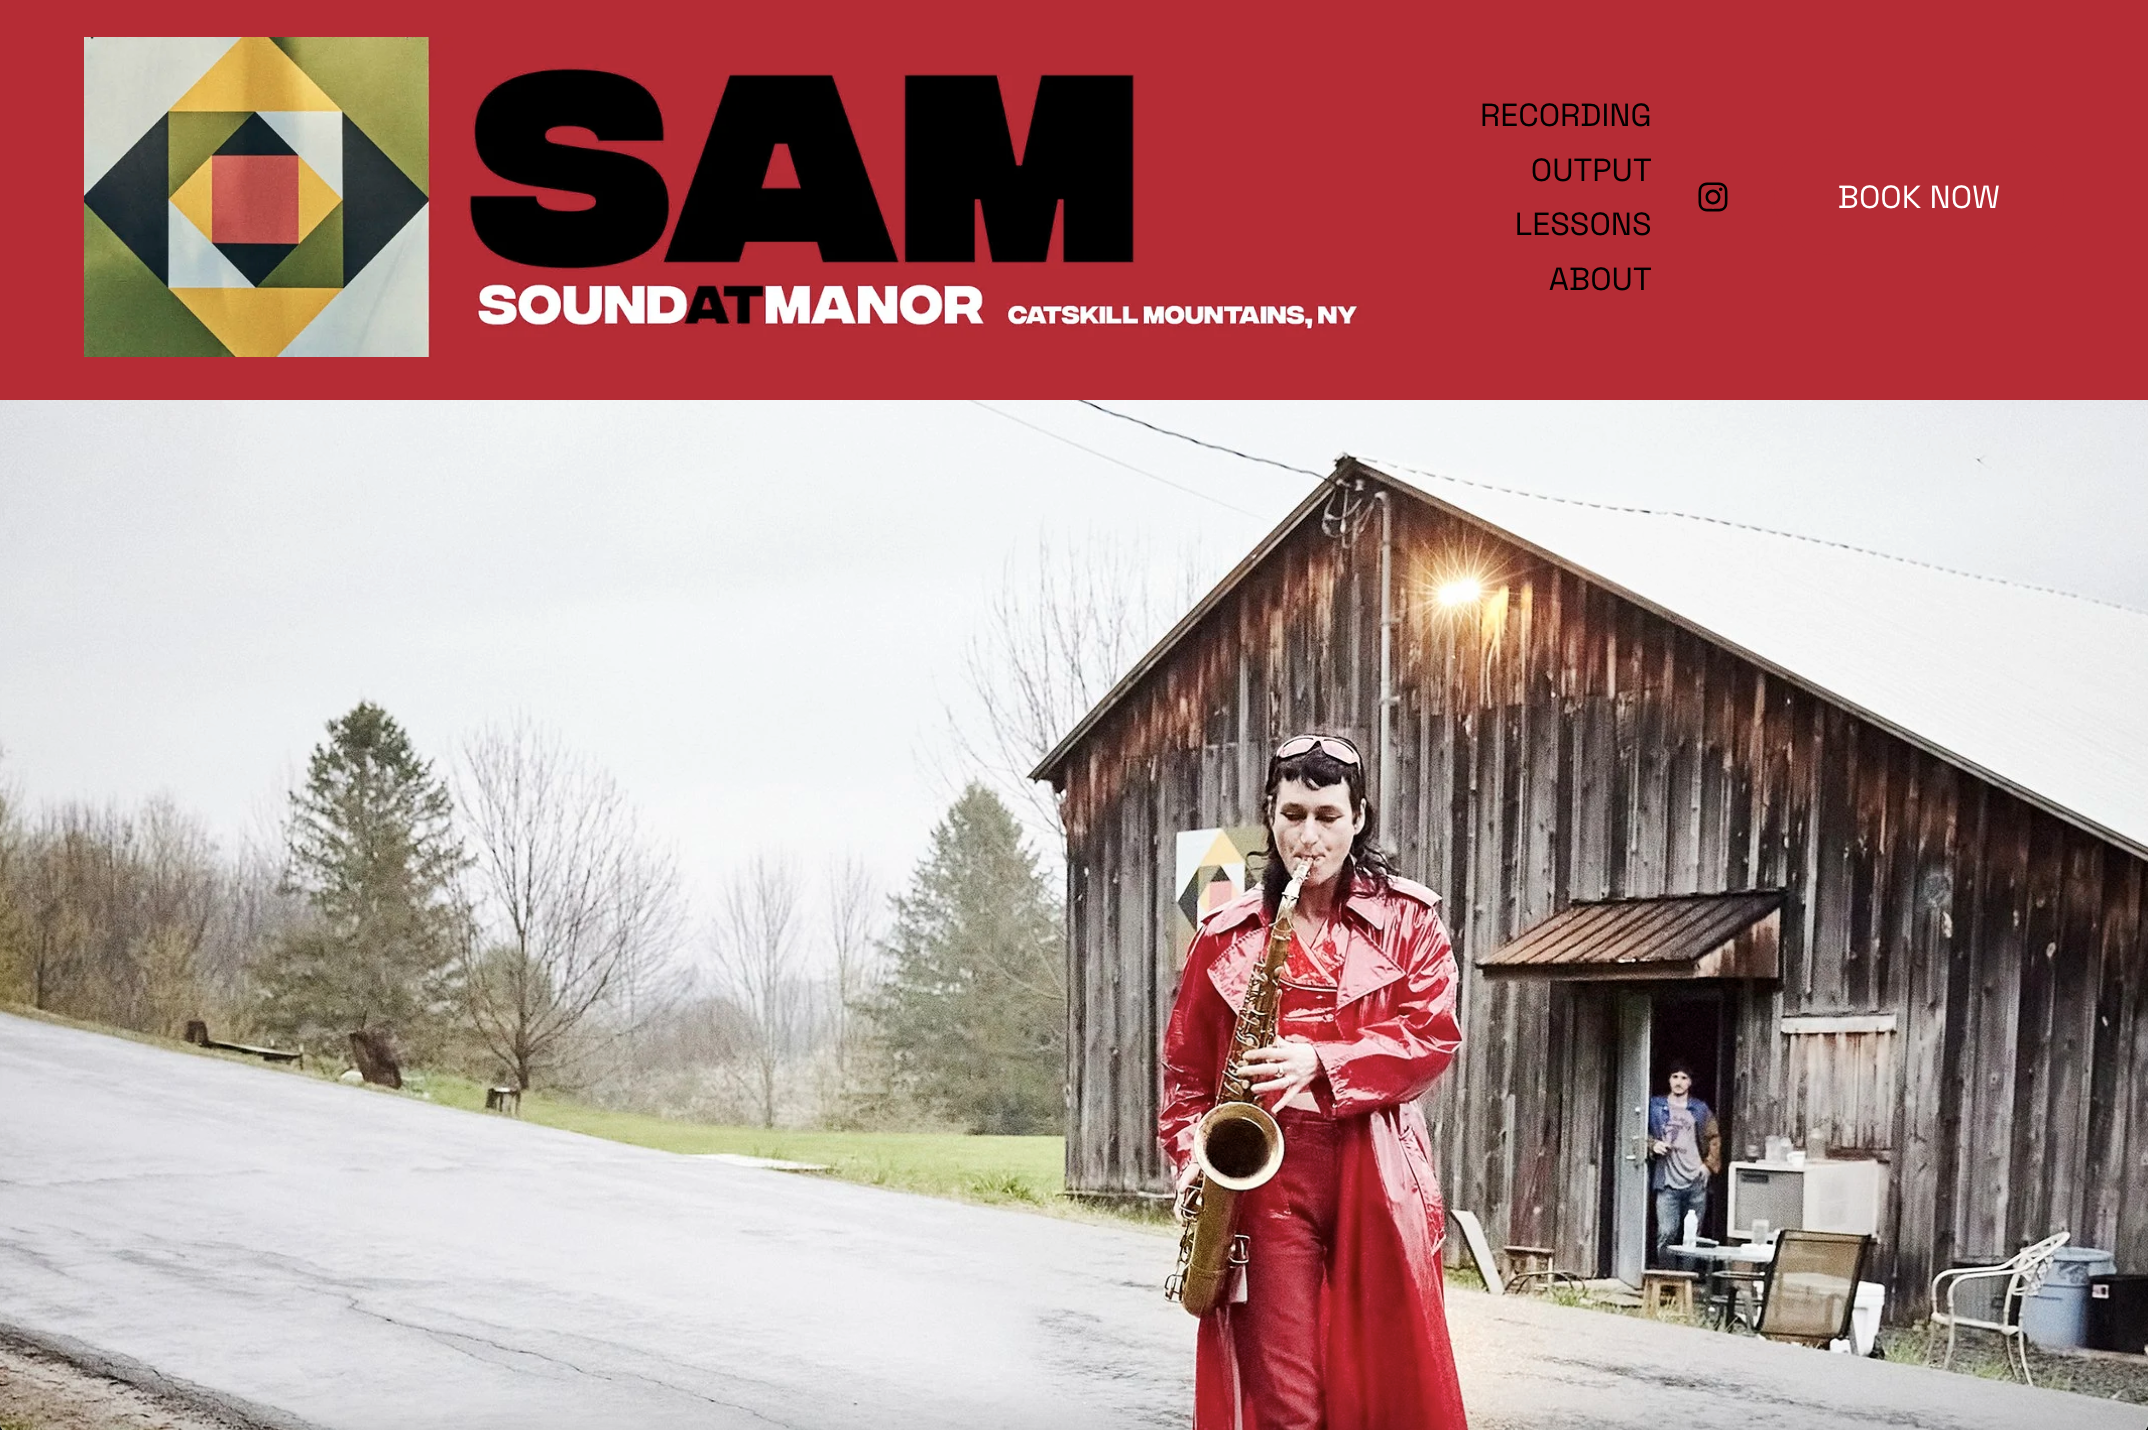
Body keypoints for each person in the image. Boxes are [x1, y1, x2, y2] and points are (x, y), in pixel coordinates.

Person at [1159, 733, 1468, 1430]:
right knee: (1287, 1400)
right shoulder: (1222, 931)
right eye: (1293, 815)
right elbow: (1185, 1071)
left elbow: (1433, 1037)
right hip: (1265, 1180)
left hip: (1376, 1167)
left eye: (1327, 817)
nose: (1308, 837)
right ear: (1269, 814)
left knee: (1384, 1387)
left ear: (1358, 818)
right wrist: (1191, 1160)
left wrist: (1324, 1062)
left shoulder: (1411, 919)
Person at [1647, 1062, 1721, 1264]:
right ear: (1669, 1080)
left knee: (1691, 1236)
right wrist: (1653, 1145)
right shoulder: (1655, 1106)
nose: (1679, 1082)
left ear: (1690, 1082)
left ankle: (1687, 1276)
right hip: (1667, 1181)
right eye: (1675, 1077)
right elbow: (1637, 1130)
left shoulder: (1700, 1109)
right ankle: (1667, 1276)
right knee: (1666, 1232)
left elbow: (1714, 1137)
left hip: (1695, 1180)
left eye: (1684, 1078)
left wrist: (1708, 1165)